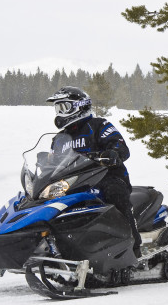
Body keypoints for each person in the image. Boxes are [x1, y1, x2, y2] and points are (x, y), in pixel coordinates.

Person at [46, 86, 143, 257]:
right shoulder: (59, 139)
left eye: (64, 107)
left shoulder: (99, 125)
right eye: (58, 108)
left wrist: (113, 152)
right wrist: (45, 165)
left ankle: (134, 245)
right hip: (73, 183)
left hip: (107, 177)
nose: (60, 113)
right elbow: (54, 163)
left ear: (79, 106)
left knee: (115, 193)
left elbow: (120, 145)